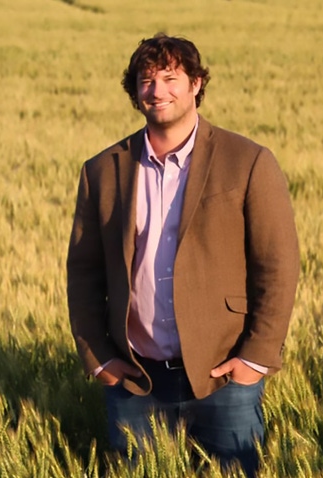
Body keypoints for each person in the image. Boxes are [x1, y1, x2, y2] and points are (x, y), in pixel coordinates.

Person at [66, 33, 299, 476]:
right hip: (135, 378)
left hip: (224, 377)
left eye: (170, 78)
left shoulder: (247, 161)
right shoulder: (103, 169)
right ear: (134, 92)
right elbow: (84, 271)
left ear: (196, 84)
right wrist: (100, 360)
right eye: (146, 80)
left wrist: (254, 360)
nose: (157, 91)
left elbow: (279, 266)